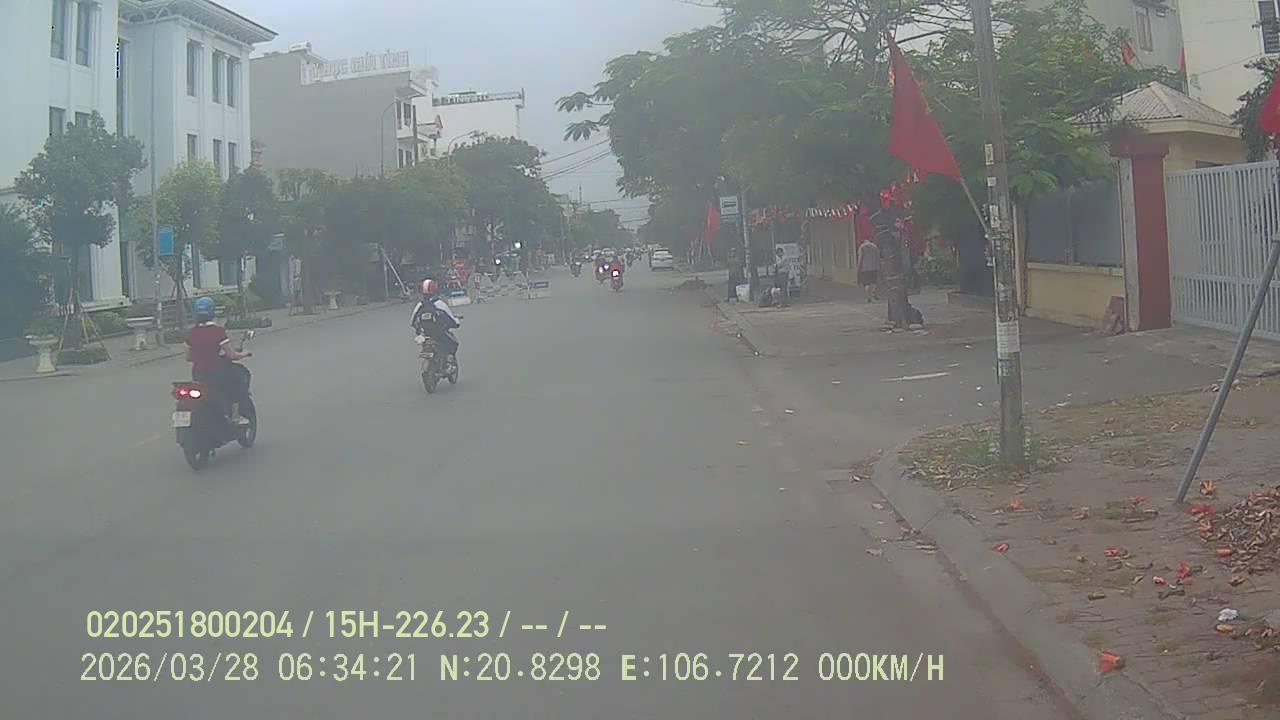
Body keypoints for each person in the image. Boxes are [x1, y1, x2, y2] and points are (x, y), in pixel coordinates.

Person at [185, 296, 251, 426]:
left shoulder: (191, 333)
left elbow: (188, 357)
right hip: (218, 373)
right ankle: (235, 417)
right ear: (212, 312)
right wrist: (244, 354)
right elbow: (231, 355)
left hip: (198, 374)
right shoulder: (218, 332)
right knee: (237, 384)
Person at [410, 279, 461, 369]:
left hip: (425, 334)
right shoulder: (439, 304)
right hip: (439, 333)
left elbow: (412, 322)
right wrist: (456, 322)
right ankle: (449, 364)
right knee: (454, 344)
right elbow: (451, 319)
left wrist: (419, 330)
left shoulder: (420, 305)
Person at [856, 238, 881, 302]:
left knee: (867, 283)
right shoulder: (875, 247)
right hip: (874, 267)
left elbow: (861, 258)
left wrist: (859, 267)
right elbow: (878, 257)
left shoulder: (862, 247)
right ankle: (873, 292)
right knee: (874, 282)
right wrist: (878, 266)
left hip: (865, 268)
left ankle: (868, 297)